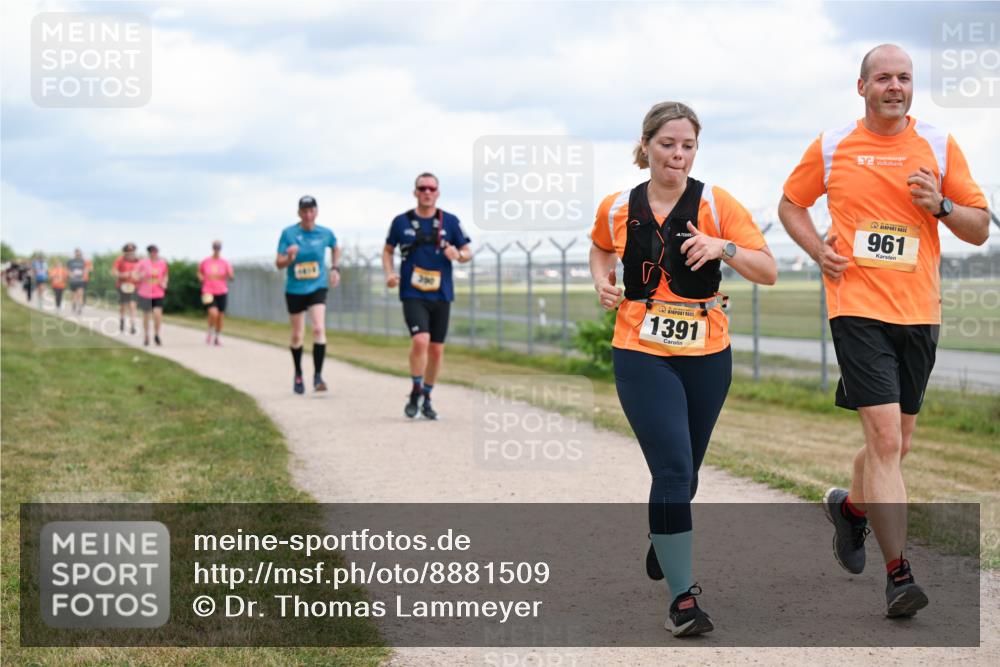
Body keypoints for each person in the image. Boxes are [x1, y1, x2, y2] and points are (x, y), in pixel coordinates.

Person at [778, 44, 989, 618]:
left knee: (896, 444)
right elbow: (791, 205)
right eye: (884, 78)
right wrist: (819, 249)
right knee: (887, 443)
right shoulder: (832, 146)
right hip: (856, 306)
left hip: (919, 311)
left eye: (904, 78)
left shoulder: (939, 145)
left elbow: (978, 228)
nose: (895, 86)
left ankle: (850, 511)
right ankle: (900, 576)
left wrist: (940, 203)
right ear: (862, 86)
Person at [589, 101, 776, 637]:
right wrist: (603, 281)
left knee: (686, 474)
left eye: (688, 145)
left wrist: (725, 246)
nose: (678, 154)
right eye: (668, 143)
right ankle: (682, 600)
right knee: (671, 470)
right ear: (646, 144)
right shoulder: (617, 206)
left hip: (708, 353)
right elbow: (600, 249)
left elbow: (767, 270)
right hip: (640, 348)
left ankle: (662, 532)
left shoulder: (717, 203)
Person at [382, 172, 472, 420]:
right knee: (420, 340)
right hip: (412, 293)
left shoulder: (450, 221)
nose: (427, 192)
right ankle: (415, 389)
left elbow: (467, 252)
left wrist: (459, 255)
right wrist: (390, 273)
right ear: (415, 192)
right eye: (422, 188)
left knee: (436, 350)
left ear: (438, 192)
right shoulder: (401, 222)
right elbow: (387, 250)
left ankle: (427, 397)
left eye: (432, 188)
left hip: (441, 294)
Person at [275, 195, 341, 394]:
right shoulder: (288, 234)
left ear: (316, 212)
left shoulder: (325, 233)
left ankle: (318, 376)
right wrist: (290, 258)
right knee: (297, 335)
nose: (308, 214)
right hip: (295, 289)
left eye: (311, 210)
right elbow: (278, 263)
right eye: (304, 211)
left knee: (319, 329)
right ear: (299, 213)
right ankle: (298, 374)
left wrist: (335, 268)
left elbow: (335, 247)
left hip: (317, 286)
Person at [198, 240, 235, 346]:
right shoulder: (206, 261)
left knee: (220, 316)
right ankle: (210, 329)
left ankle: (217, 337)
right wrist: (200, 277)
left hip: (222, 291)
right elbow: (199, 272)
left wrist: (231, 276)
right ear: (212, 248)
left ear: (220, 248)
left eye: (218, 247)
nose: (216, 249)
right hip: (207, 291)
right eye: (215, 247)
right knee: (213, 312)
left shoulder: (224, 262)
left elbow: (231, 274)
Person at [136, 245, 169, 346]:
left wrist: (164, 282)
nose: (154, 253)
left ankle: (156, 334)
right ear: (149, 253)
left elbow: (166, 275)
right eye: (151, 252)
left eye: (155, 251)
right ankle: (146, 335)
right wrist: (140, 275)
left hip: (158, 292)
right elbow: (135, 275)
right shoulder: (142, 263)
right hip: (145, 292)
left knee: (157, 314)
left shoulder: (162, 263)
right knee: (146, 315)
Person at [112, 243, 140, 334]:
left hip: (134, 286)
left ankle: (132, 326)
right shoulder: (120, 260)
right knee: (123, 306)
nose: (130, 253)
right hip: (122, 285)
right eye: (128, 251)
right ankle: (122, 320)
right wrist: (125, 274)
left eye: (132, 251)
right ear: (125, 252)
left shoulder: (138, 261)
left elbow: (142, 273)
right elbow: (114, 272)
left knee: (132, 305)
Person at [67, 248, 91, 315]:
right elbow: (68, 270)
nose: (77, 254)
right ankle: (74, 305)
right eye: (76, 253)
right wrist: (70, 274)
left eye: (79, 253)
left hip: (80, 281)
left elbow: (87, 269)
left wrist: (85, 274)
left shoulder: (83, 261)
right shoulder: (70, 261)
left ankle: (79, 308)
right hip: (73, 281)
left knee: (80, 294)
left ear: (80, 254)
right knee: (74, 295)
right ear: (74, 254)